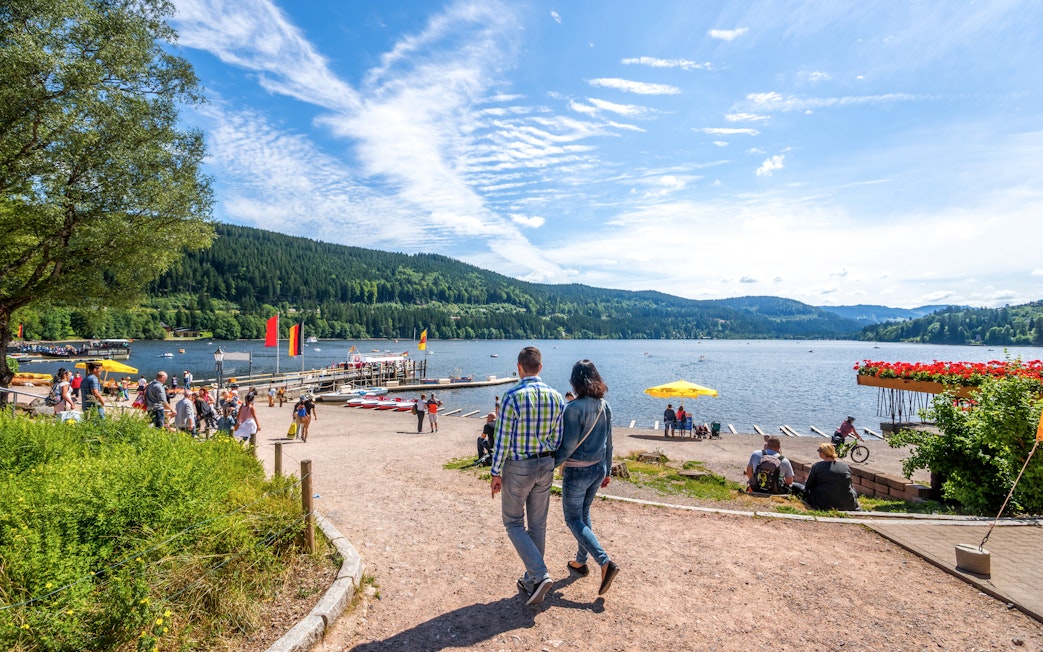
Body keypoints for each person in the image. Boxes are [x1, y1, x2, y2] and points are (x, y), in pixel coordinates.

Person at [489, 346, 565, 606]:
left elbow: (502, 440)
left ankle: (539, 574)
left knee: (512, 523)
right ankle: (533, 580)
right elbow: (558, 437)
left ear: (519, 367)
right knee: (538, 524)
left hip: (519, 466)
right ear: (540, 367)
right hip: (546, 465)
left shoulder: (512, 396)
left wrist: (495, 472)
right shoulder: (557, 397)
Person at [554, 360, 620, 597]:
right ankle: (581, 562)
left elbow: (568, 446)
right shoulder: (605, 406)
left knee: (572, 518)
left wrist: (550, 465)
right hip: (598, 468)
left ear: (576, 381)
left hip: (578, 471)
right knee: (583, 515)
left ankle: (605, 562)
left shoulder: (573, 408)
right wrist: (608, 470)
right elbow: (609, 443)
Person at [802, 443, 861, 511]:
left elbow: (808, 485)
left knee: (799, 487)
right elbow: (849, 484)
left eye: (819, 451)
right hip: (846, 503)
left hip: (822, 503)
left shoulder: (817, 466)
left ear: (823, 453)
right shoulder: (845, 466)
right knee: (852, 489)